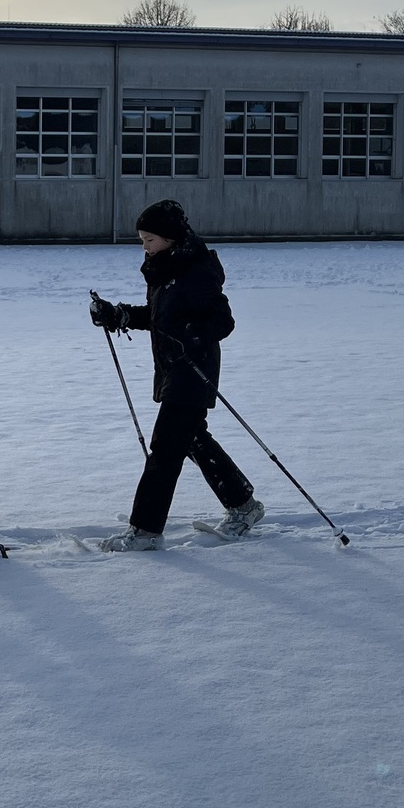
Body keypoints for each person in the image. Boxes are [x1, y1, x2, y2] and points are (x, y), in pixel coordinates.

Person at [88, 199, 264, 550]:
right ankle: (243, 504)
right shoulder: (164, 268)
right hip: (172, 369)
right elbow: (159, 317)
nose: (144, 246)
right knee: (193, 439)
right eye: (142, 239)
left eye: (149, 239)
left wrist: (192, 335)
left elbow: (223, 321)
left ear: (170, 238)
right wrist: (119, 315)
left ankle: (145, 531)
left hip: (194, 370)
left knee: (165, 449)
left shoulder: (195, 271)